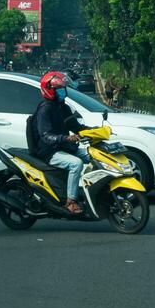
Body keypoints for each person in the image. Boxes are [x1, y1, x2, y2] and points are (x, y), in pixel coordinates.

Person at [30, 70, 90, 215]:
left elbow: (76, 127)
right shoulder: (45, 109)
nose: (63, 91)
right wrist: (66, 138)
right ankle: (71, 202)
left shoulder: (63, 107)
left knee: (94, 155)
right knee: (76, 164)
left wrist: (94, 131)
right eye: (59, 89)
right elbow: (45, 136)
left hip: (64, 147)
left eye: (63, 88)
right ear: (50, 90)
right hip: (49, 151)